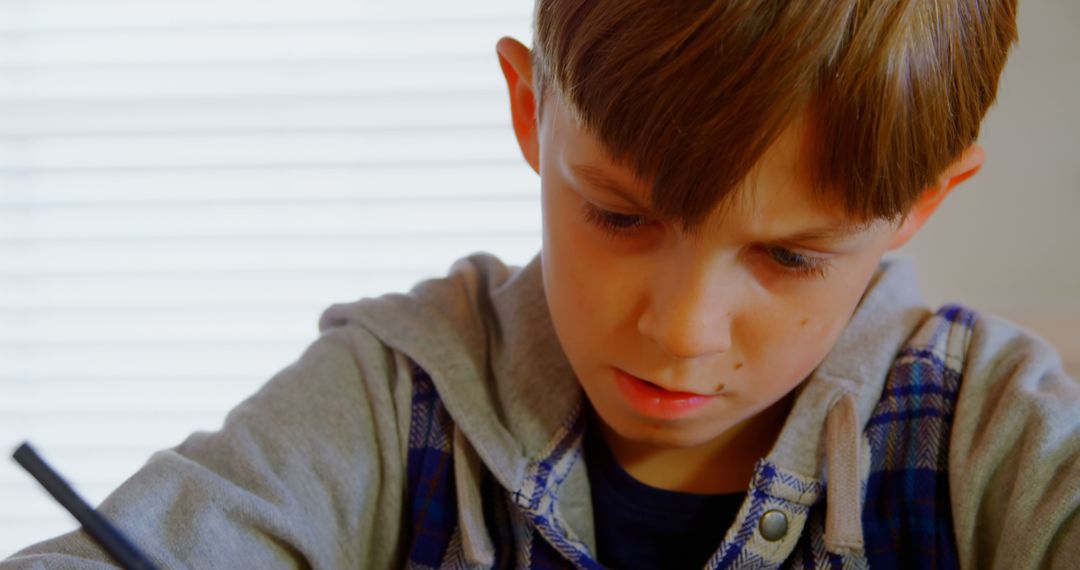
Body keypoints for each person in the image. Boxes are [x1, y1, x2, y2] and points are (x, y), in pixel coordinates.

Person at [4, 0, 1078, 568]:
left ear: (920, 207)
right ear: (529, 110)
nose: (682, 331)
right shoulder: (390, 400)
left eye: (791, 256)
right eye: (619, 216)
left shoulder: (992, 440)